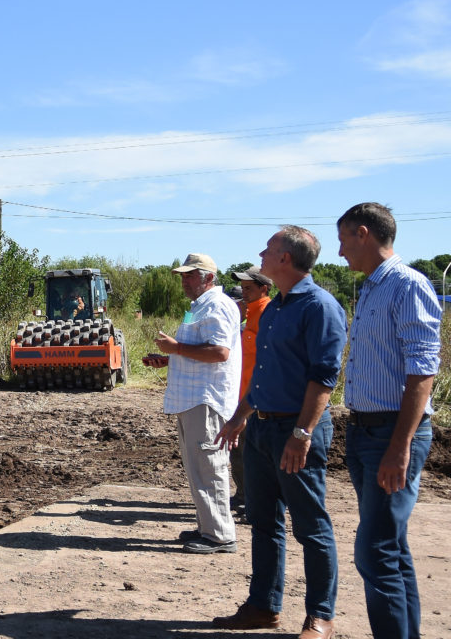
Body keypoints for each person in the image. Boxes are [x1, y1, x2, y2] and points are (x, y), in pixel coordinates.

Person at [213, 226, 346, 639]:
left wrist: (302, 434)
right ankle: (263, 606)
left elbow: (324, 379)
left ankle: (320, 616)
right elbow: (265, 373)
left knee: (311, 526)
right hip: (261, 428)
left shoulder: (320, 307)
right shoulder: (273, 308)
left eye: (268, 249)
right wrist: (241, 414)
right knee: (264, 521)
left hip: (295, 430)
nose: (261, 254)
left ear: (286, 259)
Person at [336, 202, 442, 639]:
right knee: (391, 549)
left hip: (393, 434)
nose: (340, 252)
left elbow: (423, 371)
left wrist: (400, 446)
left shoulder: (407, 285)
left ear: (364, 233)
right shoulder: (373, 289)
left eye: (344, 240)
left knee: (375, 551)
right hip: (366, 432)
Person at [142, 253, 241, 554]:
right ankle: (208, 527)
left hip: (205, 398)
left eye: (190, 275)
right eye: (183, 276)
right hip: (192, 398)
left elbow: (220, 352)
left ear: (208, 278)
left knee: (209, 465)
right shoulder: (199, 308)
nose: (184, 281)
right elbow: (198, 350)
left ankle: (220, 535)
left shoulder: (218, 305)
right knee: (198, 466)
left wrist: (177, 348)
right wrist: (169, 358)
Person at [229, 266, 274, 519]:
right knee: (240, 449)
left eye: (249, 288)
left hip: (258, 400)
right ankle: (245, 496)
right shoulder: (249, 317)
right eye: (242, 289)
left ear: (264, 288)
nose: (244, 293)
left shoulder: (268, 314)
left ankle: (257, 503)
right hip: (243, 396)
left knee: (255, 454)